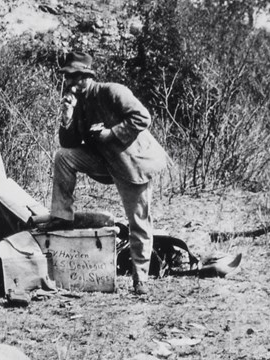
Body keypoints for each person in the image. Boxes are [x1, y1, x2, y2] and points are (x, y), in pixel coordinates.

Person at [38, 52, 170, 295]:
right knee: (63, 157)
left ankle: (140, 278)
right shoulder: (78, 102)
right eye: (68, 78)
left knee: (138, 221)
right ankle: (62, 216)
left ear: (88, 76)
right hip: (104, 162)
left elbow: (143, 117)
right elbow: (69, 144)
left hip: (132, 163)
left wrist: (111, 133)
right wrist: (67, 118)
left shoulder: (112, 91)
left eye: (75, 77)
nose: (70, 83)